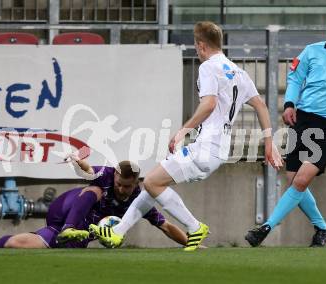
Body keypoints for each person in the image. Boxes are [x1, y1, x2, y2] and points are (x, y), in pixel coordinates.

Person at [90, 21, 283, 251]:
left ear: (201, 46)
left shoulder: (208, 67)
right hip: (220, 149)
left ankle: (194, 227)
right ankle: (118, 233)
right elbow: (261, 106)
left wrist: (184, 129)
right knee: (154, 184)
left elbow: (209, 104)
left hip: (206, 146)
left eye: (195, 46)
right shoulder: (239, 72)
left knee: (151, 182)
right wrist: (269, 144)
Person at [245, 9, 326, 247]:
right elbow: (294, 79)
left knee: (301, 182)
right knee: (294, 180)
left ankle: (265, 228)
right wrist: (290, 103)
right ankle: (323, 228)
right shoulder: (312, 51)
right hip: (302, 121)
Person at [0, 159, 187, 249]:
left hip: (79, 233)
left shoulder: (139, 199)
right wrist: (80, 163)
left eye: (127, 186)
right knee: (93, 189)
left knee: (20, 242)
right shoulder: (105, 176)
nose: (121, 189)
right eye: (119, 184)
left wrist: (193, 243)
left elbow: (165, 225)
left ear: (135, 182)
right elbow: (88, 170)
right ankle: (69, 229)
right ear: (115, 177)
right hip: (65, 211)